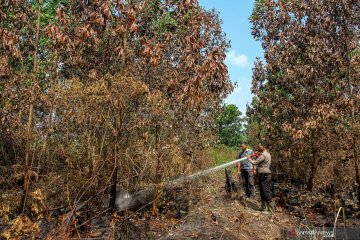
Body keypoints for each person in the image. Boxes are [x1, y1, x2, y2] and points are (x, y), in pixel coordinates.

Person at [248, 142, 274, 214]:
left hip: (264, 175)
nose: (258, 148)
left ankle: (270, 210)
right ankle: (264, 207)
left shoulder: (264, 155)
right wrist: (256, 155)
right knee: (262, 191)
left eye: (259, 146)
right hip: (264, 174)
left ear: (263, 147)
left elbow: (255, 162)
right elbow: (260, 160)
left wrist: (249, 159)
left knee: (265, 191)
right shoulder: (266, 154)